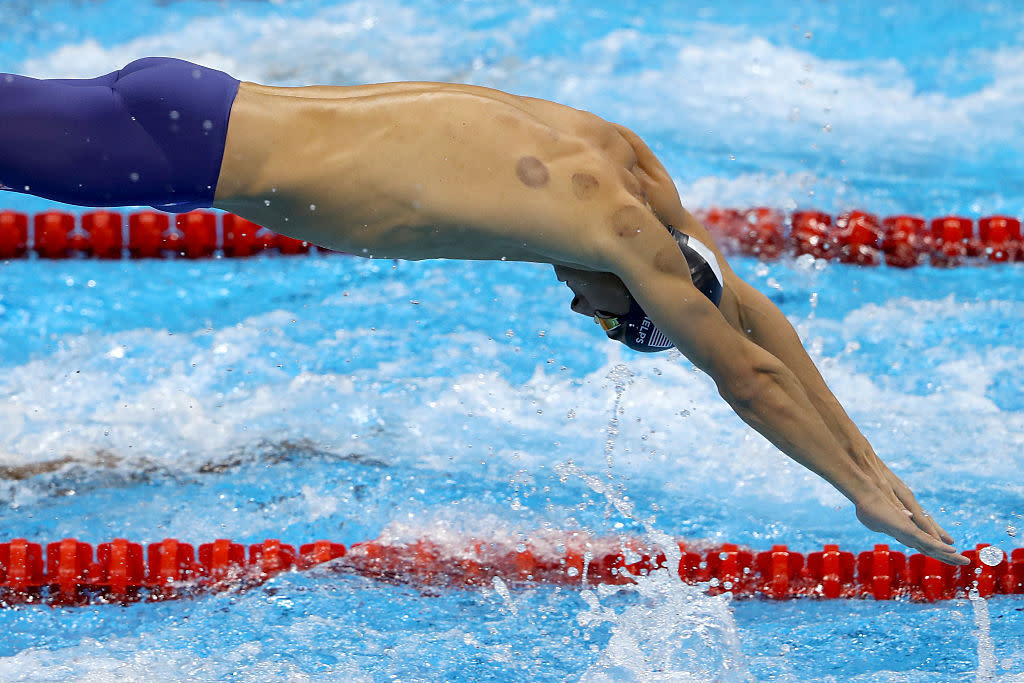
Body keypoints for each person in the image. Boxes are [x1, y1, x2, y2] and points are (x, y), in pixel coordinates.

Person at [0, 57, 968, 566]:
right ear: (639, 296)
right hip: (178, 152)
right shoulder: (611, 228)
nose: (576, 306)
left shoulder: (620, 159)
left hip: (199, 109)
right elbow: (743, 368)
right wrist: (861, 493)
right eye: (606, 318)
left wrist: (871, 458)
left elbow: (743, 300)